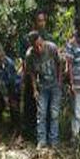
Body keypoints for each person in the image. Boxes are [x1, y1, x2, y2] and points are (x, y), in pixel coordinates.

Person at [18, 10, 55, 141]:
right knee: (29, 105)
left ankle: (48, 136)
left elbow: (54, 58)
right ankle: (27, 133)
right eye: (39, 21)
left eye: (43, 20)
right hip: (30, 76)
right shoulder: (26, 39)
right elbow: (23, 60)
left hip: (46, 78)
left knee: (46, 108)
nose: (42, 23)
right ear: (35, 22)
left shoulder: (49, 38)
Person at [24, 31, 62, 149]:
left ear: (42, 40)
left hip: (54, 84)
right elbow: (32, 74)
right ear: (32, 46)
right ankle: (42, 140)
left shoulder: (51, 47)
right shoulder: (30, 55)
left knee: (54, 113)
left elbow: (60, 63)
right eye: (36, 47)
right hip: (42, 86)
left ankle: (54, 141)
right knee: (41, 114)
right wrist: (34, 89)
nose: (39, 48)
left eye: (40, 45)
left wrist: (59, 81)